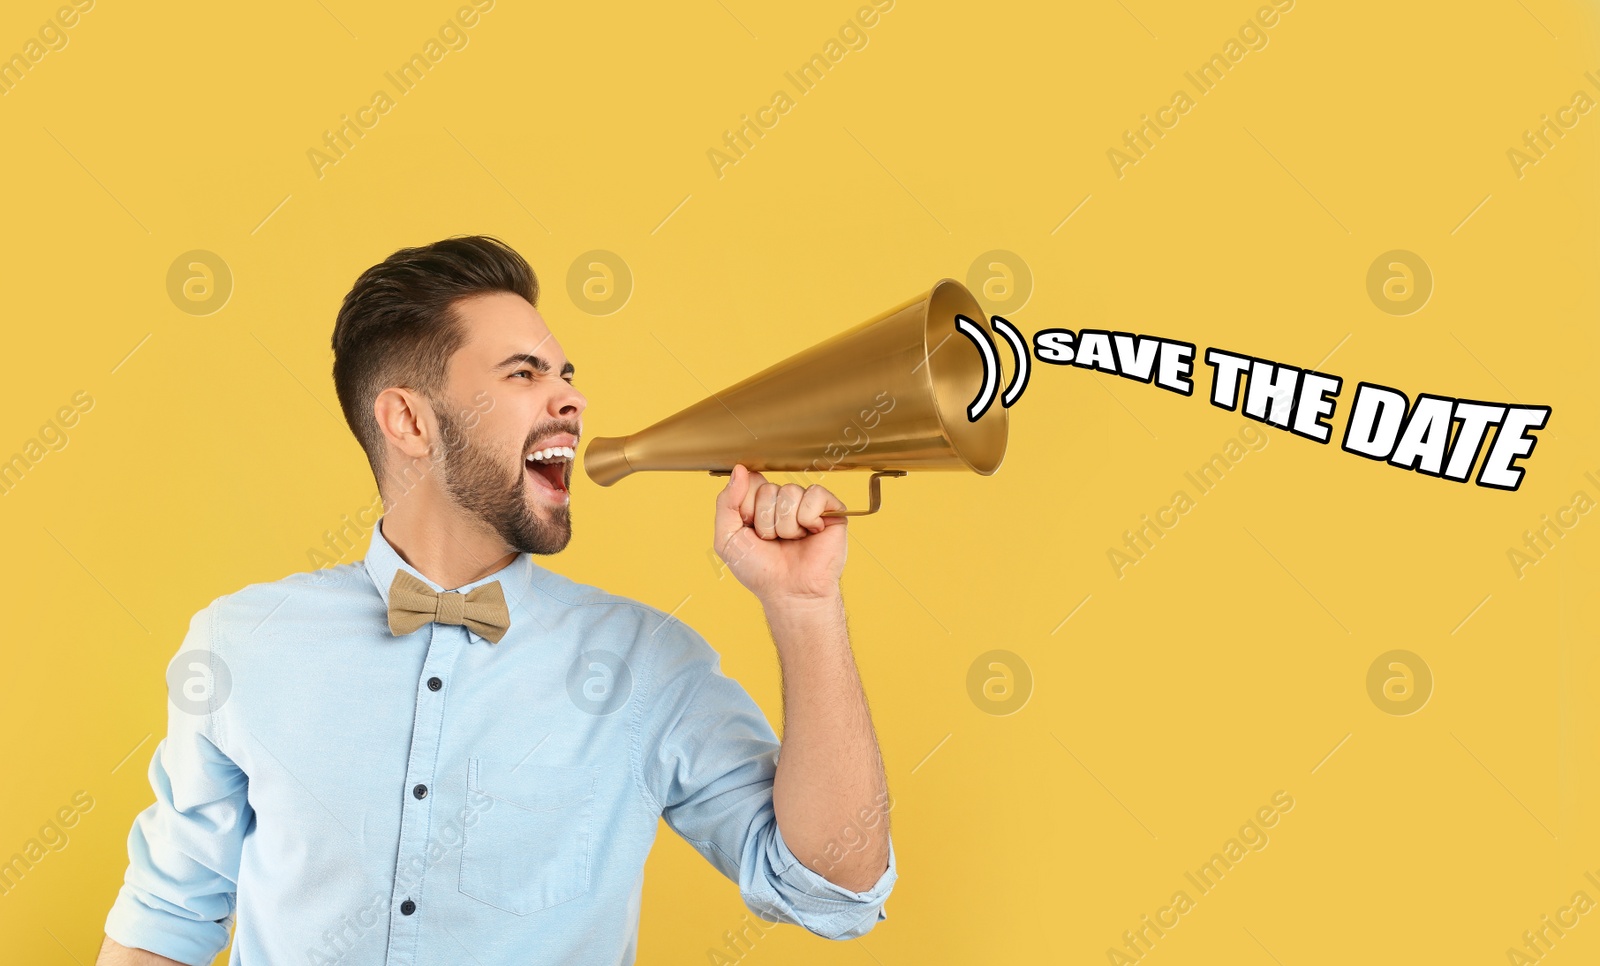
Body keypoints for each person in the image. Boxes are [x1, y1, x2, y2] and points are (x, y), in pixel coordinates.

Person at [96, 236, 896, 965]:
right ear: (408, 419)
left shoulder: (648, 664)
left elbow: (833, 892)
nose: (571, 400)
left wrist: (805, 604)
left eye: (567, 375)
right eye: (525, 373)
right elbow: (168, 917)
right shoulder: (241, 644)